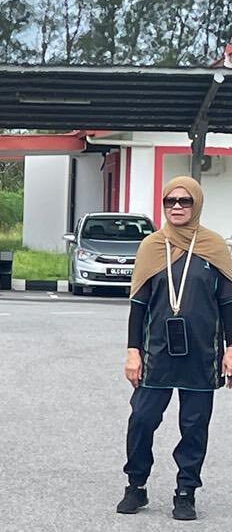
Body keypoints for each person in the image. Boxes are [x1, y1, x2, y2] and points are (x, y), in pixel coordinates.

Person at [117, 176, 232, 521]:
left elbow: (227, 303)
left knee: (194, 425)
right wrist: (132, 351)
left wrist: (231, 347)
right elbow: (138, 304)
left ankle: (186, 491)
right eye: (170, 201)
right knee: (142, 419)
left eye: (184, 201)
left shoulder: (213, 248)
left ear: (196, 204)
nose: (177, 207)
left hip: (201, 352)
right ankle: (136, 485)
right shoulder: (152, 246)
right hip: (157, 352)